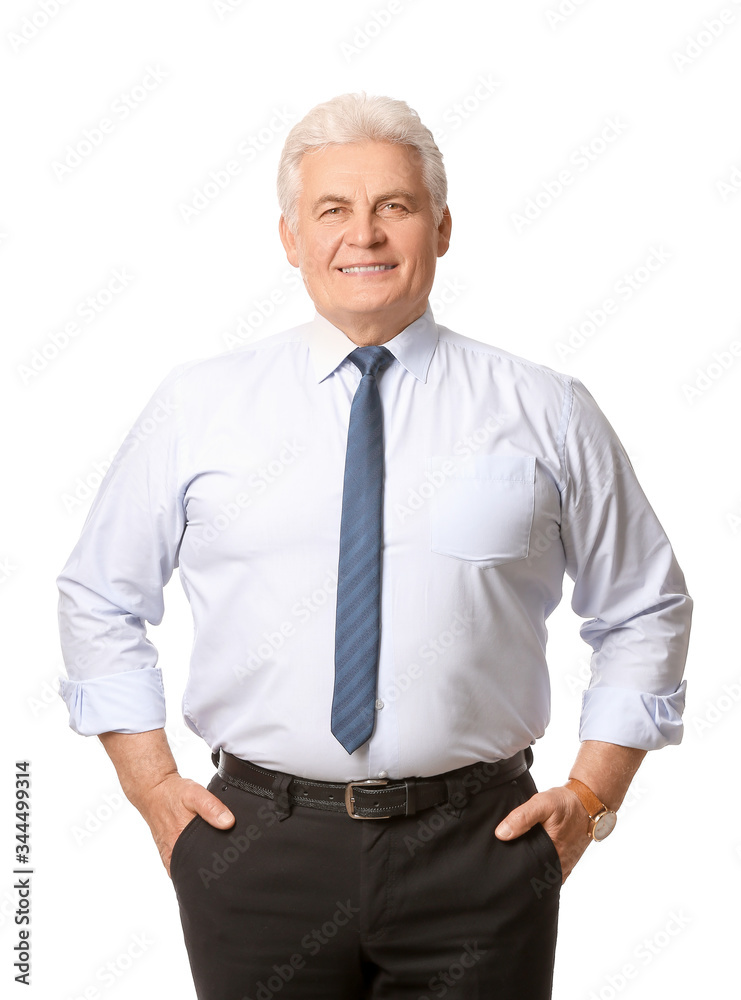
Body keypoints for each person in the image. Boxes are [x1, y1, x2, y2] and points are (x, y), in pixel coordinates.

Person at [56, 92, 692, 1000]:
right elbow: (98, 597)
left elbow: (644, 608)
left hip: (481, 849)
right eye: (332, 210)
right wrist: (153, 787)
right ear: (288, 238)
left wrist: (592, 797)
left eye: (392, 206)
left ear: (440, 226)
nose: (365, 235)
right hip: (254, 849)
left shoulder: (546, 409)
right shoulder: (198, 407)